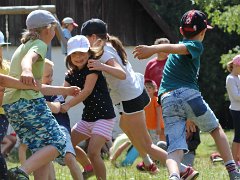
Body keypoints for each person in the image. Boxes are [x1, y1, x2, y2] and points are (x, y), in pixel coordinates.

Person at [80, 18, 198, 178]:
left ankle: (184, 170)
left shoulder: (105, 53)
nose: (84, 43)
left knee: (147, 145)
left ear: (93, 37)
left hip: (131, 99)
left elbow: (120, 73)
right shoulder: (108, 46)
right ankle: (149, 163)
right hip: (134, 95)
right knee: (126, 127)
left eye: (85, 38)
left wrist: (101, 66)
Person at [133, 9, 240, 180]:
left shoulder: (173, 56)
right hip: (189, 96)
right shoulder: (195, 46)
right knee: (215, 128)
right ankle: (233, 171)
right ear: (204, 31)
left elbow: (174, 92)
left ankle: (174, 176)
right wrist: (153, 48)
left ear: (181, 31)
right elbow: (180, 49)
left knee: (174, 149)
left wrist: (189, 116)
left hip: (167, 100)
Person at [2, 10, 80, 180]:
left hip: (12, 106)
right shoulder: (39, 44)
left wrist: (64, 91)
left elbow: (33, 86)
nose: (54, 32)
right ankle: (20, 172)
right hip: (28, 103)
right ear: (47, 29)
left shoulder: (23, 46)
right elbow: (28, 60)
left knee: (41, 149)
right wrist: (28, 69)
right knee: (58, 141)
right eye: (54, 29)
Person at [61, 35, 116, 180]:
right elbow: (62, 94)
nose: (78, 57)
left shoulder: (92, 67)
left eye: (82, 53)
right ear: (69, 57)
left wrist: (67, 105)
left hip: (104, 117)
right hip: (88, 117)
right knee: (67, 145)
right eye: (74, 54)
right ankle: (89, 168)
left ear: (89, 53)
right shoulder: (70, 74)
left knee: (93, 152)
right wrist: (55, 103)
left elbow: (86, 91)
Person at [43, 59, 83, 180]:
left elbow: (56, 108)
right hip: (44, 130)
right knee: (46, 161)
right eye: (47, 76)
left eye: (52, 75)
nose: (51, 79)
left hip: (60, 128)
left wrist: (39, 103)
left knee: (69, 157)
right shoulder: (32, 92)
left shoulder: (54, 91)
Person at [226, 55, 240, 168]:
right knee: (238, 136)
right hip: (236, 111)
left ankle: (238, 159)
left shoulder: (238, 77)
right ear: (235, 65)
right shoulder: (230, 78)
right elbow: (236, 96)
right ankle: (234, 162)